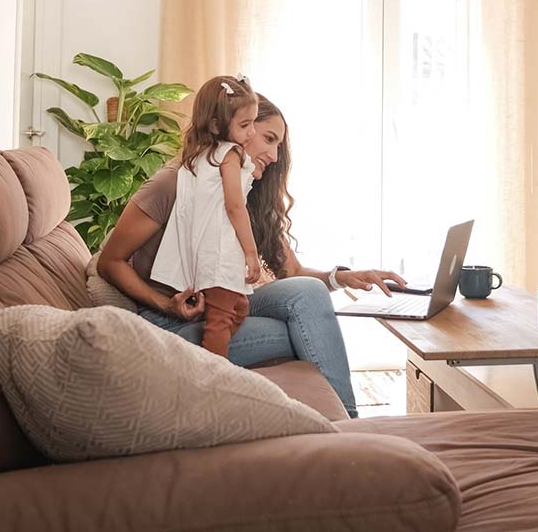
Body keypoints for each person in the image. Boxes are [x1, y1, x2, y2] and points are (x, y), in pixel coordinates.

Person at [98, 89, 406, 418]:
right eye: (268, 139)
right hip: (172, 326)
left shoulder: (246, 194)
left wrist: (342, 277)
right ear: (235, 127)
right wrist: (166, 305)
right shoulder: (174, 183)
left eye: (279, 146)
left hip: (226, 303)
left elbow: (293, 273)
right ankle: (347, 426)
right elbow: (109, 262)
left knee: (310, 294)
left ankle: (346, 424)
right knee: (303, 330)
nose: (274, 156)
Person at [150, 74, 261, 358]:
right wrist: (251, 253)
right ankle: (210, 368)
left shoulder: (199, 156)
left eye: (253, 123)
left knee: (237, 308)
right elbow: (235, 206)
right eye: (244, 125)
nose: (251, 133)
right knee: (220, 323)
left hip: (204, 256)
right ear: (215, 125)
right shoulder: (230, 154)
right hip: (222, 254)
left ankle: (200, 354)